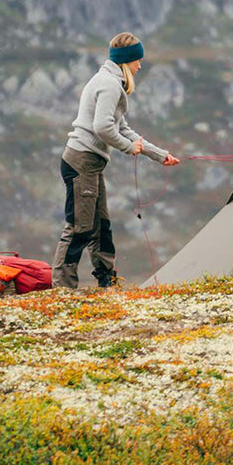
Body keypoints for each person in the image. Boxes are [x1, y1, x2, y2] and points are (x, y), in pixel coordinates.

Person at [51, 32, 179, 288]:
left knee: (101, 227)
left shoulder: (109, 81)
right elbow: (102, 127)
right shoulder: (109, 85)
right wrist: (128, 148)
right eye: (137, 61)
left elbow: (122, 127)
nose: (140, 66)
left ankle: (107, 284)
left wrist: (159, 155)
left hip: (90, 163)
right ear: (126, 61)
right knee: (80, 227)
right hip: (82, 161)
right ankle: (62, 290)